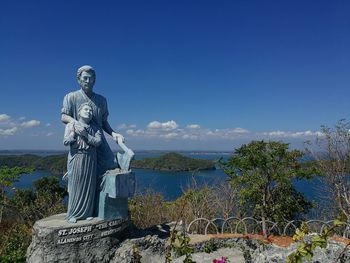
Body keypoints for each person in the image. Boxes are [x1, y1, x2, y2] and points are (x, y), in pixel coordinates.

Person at [61, 65, 124, 176]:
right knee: (79, 173)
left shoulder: (102, 100)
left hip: (98, 138)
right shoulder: (70, 97)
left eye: (91, 78)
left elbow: (104, 122)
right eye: (85, 78)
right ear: (78, 79)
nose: (88, 81)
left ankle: (101, 193)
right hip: (80, 141)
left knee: (112, 165)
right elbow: (64, 117)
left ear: (94, 80)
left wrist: (114, 133)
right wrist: (78, 125)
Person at [63, 103, 102, 223]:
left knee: (89, 185)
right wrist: (72, 135)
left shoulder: (95, 128)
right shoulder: (71, 125)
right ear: (79, 112)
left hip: (91, 158)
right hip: (77, 157)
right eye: (86, 109)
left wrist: (85, 134)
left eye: (91, 110)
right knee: (76, 184)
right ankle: (73, 214)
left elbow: (98, 142)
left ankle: (87, 213)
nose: (89, 112)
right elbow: (65, 141)